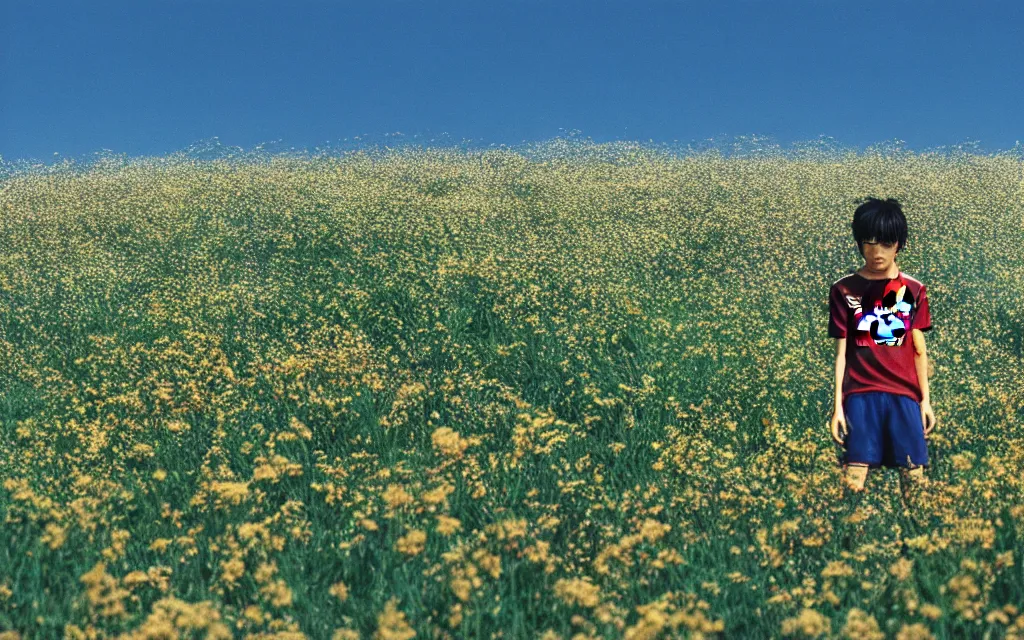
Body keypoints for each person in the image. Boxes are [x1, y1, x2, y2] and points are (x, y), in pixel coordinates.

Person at [827, 197, 936, 501]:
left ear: (899, 244)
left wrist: (925, 402)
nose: (876, 253)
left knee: (914, 479)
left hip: (904, 396)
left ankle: (919, 543)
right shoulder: (844, 289)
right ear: (859, 243)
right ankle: (848, 541)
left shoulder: (914, 289)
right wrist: (838, 406)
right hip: (861, 395)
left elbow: (918, 350)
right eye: (869, 243)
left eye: (886, 244)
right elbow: (841, 354)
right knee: (854, 477)